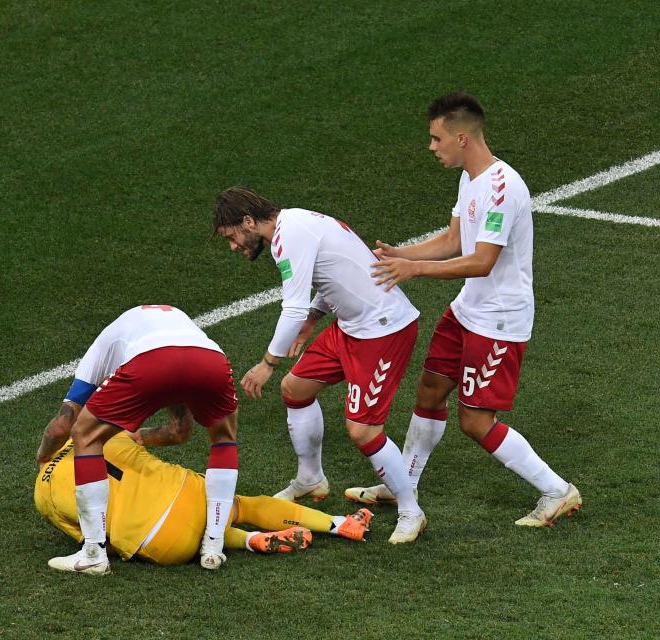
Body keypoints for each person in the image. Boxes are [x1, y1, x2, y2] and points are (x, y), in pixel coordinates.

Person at [344, 91, 582, 527]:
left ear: (461, 137)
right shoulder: (469, 179)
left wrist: (413, 270)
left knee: (475, 421)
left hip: (499, 320)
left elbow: (481, 260)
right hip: (468, 309)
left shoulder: (502, 188)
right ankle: (404, 486)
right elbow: (454, 241)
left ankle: (557, 490)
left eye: (436, 139)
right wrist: (401, 252)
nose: (431, 147)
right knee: (430, 389)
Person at [212, 188, 426, 544]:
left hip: (383, 330)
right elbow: (337, 271)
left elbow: (291, 308)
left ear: (248, 221)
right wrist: (314, 317)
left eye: (232, 236)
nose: (233, 246)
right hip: (350, 325)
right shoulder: (297, 222)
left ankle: (410, 510)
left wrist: (268, 363)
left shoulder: (288, 237)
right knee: (295, 389)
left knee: (363, 431)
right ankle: (310, 478)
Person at [34, 304, 240, 574]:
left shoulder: (101, 347)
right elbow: (180, 431)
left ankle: (93, 553)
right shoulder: (172, 323)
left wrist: (42, 455)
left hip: (151, 361)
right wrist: (139, 436)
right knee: (224, 439)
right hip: (211, 358)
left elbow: (62, 426)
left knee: (84, 434)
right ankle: (213, 548)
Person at [35, 432, 374, 567]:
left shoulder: (42, 494)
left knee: (194, 534)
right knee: (242, 505)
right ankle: (338, 524)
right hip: (188, 492)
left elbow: (95, 541)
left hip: (161, 540)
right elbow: (152, 436)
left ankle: (252, 541)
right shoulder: (103, 433)